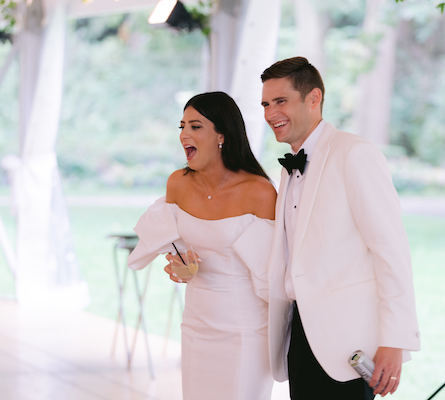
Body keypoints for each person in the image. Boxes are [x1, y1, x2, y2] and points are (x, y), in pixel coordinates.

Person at [260, 56, 420, 399]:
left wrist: (394, 340)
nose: (270, 113)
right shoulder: (288, 169)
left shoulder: (354, 154)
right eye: (265, 104)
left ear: (314, 98)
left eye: (280, 101)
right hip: (300, 336)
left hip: (348, 343)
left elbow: (391, 251)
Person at [128, 92, 277, 400]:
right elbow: (176, 248)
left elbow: (272, 273)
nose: (184, 135)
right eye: (182, 126)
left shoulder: (259, 192)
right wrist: (178, 267)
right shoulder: (178, 184)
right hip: (197, 323)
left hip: (245, 330)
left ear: (222, 135)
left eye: (195, 127)